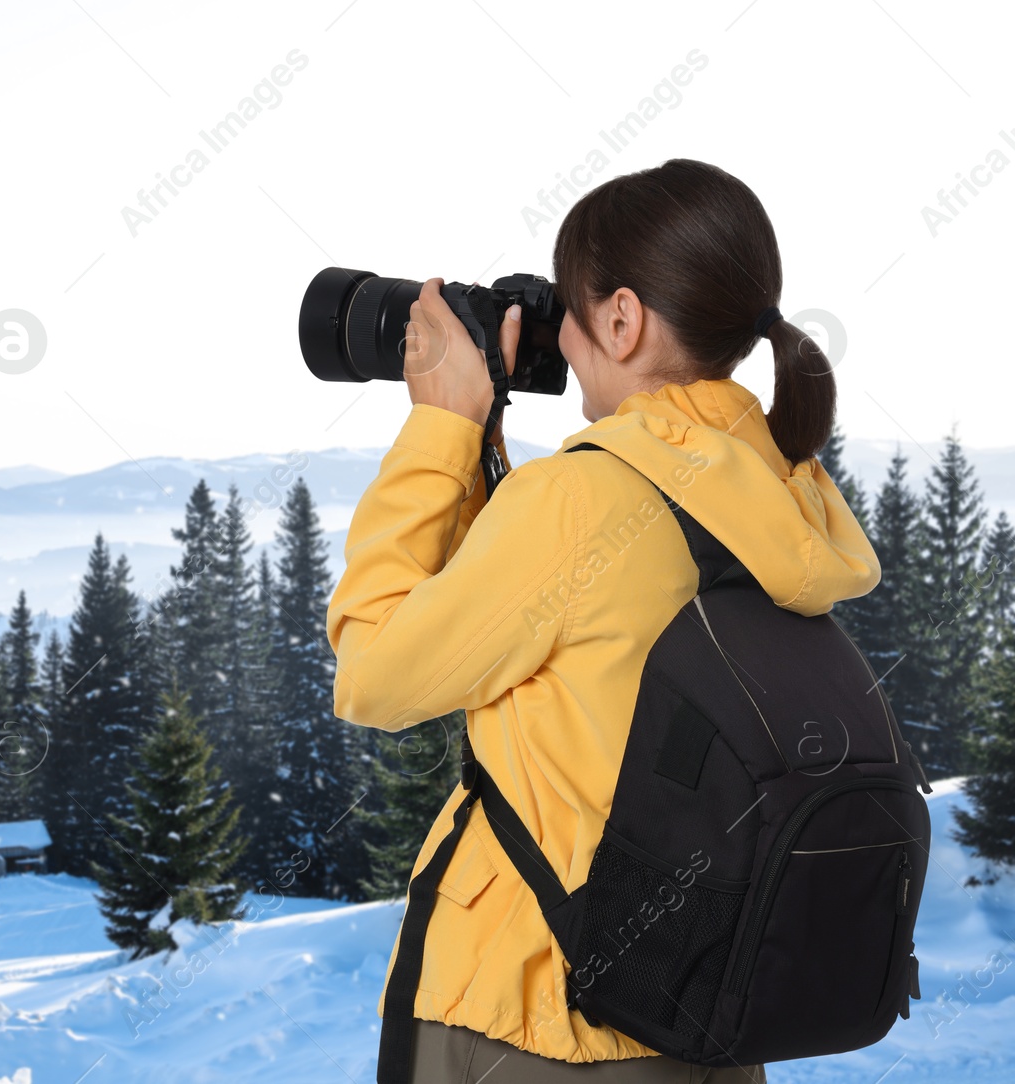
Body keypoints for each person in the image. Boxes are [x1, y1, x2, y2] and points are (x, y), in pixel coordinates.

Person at [326, 158, 878, 1083]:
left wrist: (441, 428)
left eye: (571, 313)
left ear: (623, 320)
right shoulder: (782, 495)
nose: (564, 339)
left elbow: (374, 674)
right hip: (700, 1019)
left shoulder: (583, 500)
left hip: (534, 1023)